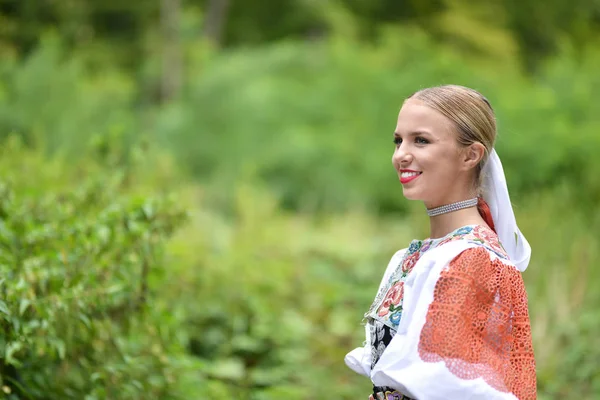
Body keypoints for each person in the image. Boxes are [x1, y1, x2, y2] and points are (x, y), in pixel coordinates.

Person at [344, 85, 537, 400]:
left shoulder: (471, 260)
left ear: (470, 155)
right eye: (398, 140)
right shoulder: (419, 255)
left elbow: (456, 390)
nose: (401, 154)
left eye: (420, 140)